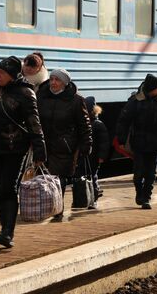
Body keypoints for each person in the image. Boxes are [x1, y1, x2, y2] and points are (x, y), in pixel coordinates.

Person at [0, 56, 46, 248]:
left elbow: (34, 124)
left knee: (9, 188)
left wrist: (40, 152)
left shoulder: (25, 93)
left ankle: (8, 232)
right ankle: (4, 230)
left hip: (15, 148)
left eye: (2, 73)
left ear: (12, 75)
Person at [37, 69, 92, 219]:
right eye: (52, 79)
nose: (53, 82)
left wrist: (86, 144)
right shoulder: (41, 97)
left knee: (58, 179)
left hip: (64, 146)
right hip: (44, 144)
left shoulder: (76, 100)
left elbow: (84, 125)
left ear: (65, 83)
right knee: (44, 178)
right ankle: (48, 207)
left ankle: (58, 210)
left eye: (57, 80)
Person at [116, 74, 157, 209]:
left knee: (151, 173)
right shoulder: (135, 102)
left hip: (155, 143)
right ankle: (139, 192)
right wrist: (121, 139)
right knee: (138, 172)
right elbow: (124, 121)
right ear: (151, 88)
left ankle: (146, 197)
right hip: (139, 142)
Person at [80, 96, 110, 208]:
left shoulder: (97, 124)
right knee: (87, 177)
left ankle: (94, 199)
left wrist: (101, 156)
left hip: (94, 156)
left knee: (92, 177)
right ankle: (87, 198)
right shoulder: (89, 123)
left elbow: (104, 142)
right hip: (86, 155)